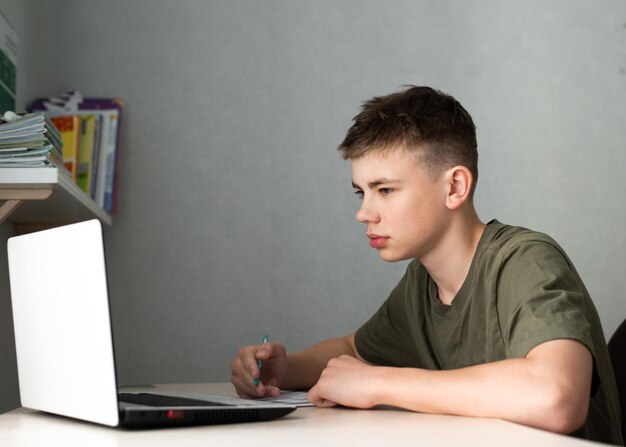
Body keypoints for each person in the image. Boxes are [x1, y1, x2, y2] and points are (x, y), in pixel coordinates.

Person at [230, 86, 623, 444]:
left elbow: (557, 397)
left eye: (385, 190)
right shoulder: (423, 279)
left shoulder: (524, 260)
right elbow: (357, 348)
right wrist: (286, 369)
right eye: (361, 192)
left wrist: (379, 384)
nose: (364, 213)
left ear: (454, 187)